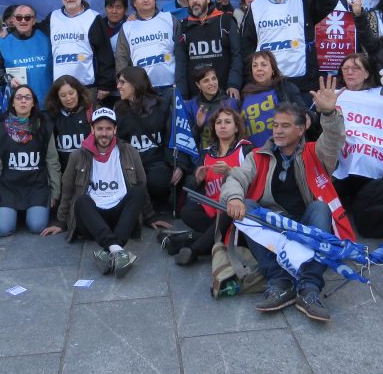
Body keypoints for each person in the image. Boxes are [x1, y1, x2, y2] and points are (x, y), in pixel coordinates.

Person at [221, 93, 346, 323]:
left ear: (301, 129)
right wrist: (233, 198)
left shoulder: (315, 152)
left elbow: (333, 139)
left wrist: (328, 113)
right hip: (274, 224)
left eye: (285, 126)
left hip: (305, 224)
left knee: (321, 208)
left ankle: (309, 288)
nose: (277, 130)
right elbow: (236, 177)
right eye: (275, 125)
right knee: (246, 207)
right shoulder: (258, 155)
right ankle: (280, 282)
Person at [40, 108, 172, 278]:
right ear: (92, 129)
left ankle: (109, 250)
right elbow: (68, 190)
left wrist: (150, 216)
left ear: (115, 130)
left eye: (108, 129)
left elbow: (141, 183)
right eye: (100, 128)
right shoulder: (78, 156)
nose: (104, 133)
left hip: (120, 216)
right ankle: (118, 249)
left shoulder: (128, 151)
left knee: (137, 192)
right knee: (81, 201)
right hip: (92, 218)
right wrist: (61, 221)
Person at [242, 0, 343, 102]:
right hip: (267, 84)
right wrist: (250, 80)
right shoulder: (257, 6)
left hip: (302, 82)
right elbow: (247, 46)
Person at [168, 106, 254, 265]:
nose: (222, 126)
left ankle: (193, 248)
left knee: (229, 207)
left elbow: (254, 182)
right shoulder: (206, 154)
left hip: (237, 210)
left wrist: (230, 171)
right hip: (213, 211)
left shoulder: (247, 149)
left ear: (236, 128)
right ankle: (202, 239)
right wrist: (197, 180)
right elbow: (190, 191)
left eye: (228, 122)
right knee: (187, 212)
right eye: (219, 122)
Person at [0, 85, 61, 236]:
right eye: (19, 97)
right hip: (10, 187)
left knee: (37, 227)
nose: (23, 101)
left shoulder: (45, 127)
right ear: (13, 103)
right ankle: (5, 208)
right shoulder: (2, 129)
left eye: (27, 98)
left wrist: (55, 192)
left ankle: (28, 212)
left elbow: (52, 163)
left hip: (36, 186)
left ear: (33, 103)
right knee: (2, 230)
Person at [40, 0, 115, 101]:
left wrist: (105, 85)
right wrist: (7, 31)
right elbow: (32, 28)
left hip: (87, 87)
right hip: (60, 89)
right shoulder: (53, 17)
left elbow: (105, 53)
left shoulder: (94, 18)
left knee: (88, 120)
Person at [114, 65, 177, 212]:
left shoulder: (162, 105)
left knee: (158, 180)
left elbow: (172, 137)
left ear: (135, 83)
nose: (118, 86)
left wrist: (178, 164)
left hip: (158, 162)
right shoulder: (118, 108)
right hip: (131, 164)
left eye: (123, 82)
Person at [175, 0, 242, 100]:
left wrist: (234, 84)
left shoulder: (225, 20)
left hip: (225, 93)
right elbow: (181, 63)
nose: (194, 0)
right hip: (196, 98)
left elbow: (237, 55)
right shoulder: (183, 26)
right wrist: (183, 95)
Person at [115, 0, 181, 94]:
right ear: (134, 3)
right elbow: (122, 60)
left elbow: (181, 53)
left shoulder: (169, 19)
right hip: (142, 91)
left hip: (171, 87)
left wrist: (181, 83)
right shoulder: (127, 27)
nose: (145, 0)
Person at [0, 3, 53, 107]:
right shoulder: (2, 42)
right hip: (19, 108)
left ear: (34, 20)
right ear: (13, 20)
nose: (23, 21)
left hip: (47, 105)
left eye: (27, 18)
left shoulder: (47, 37)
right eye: (19, 17)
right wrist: (7, 78)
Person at [240, 50, 304, 149]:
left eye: (263, 65)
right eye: (255, 66)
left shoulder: (285, 88)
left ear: (273, 69)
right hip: (254, 155)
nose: (259, 69)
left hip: (281, 151)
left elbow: (304, 113)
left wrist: (308, 117)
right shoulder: (245, 93)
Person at [183, 63, 239, 150]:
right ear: (198, 85)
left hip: (228, 155)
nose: (212, 83)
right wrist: (198, 126)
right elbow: (186, 142)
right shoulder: (189, 107)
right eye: (206, 80)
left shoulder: (232, 103)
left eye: (214, 78)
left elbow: (240, 134)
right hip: (202, 158)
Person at [45, 75, 93, 173]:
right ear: (57, 97)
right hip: (63, 172)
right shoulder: (52, 116)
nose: (68, 98)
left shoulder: (91, 112)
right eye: (63, 95)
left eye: (71, 93)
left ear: (78, 92)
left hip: (88, 171)